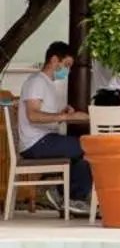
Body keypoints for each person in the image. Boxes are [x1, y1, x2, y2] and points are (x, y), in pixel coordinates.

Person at [16, 40, 92, 207]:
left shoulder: (48, 84)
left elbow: (47, 115)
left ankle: (63, 195)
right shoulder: (37, 81)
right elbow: (33, 115)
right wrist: (66, 118)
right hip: (36, 143)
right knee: (87, 146)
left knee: (83, 151)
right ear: (54, 60)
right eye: (66, 65)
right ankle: (71, 197)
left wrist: (63, 112)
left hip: (45, 139)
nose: (67, 70)